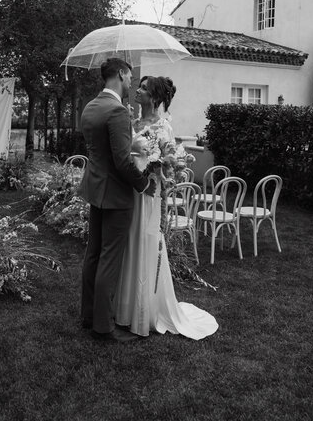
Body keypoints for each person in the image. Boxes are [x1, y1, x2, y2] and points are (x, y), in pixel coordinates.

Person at [114, 75, 219, 340]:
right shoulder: (132, 122)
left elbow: (169, 168)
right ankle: (124, 309)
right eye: (138, 86)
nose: (137, 90)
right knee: (128, 243)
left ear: (156, 98)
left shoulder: (164, 127)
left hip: (149, 195)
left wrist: (160, 170)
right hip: (130, 193)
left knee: (146, 244)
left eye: (144, 89)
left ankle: (144, 312)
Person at [79, 58, 156, 343]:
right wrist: (144, 183)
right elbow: (123, 162)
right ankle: (102, 326)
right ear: (121, 75)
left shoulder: (91, 107)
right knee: (109, 260)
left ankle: (88, 315)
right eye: (130, 77)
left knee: (93, 254)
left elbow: (101, 152)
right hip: (116, 195)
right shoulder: (117, 111)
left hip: (95, 190)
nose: (131, 83)